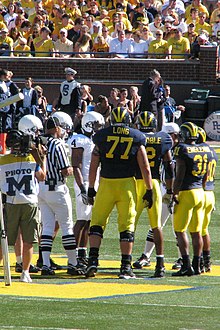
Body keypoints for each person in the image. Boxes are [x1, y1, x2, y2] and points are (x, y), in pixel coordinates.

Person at [85, 106, 153, 279]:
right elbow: (145, 166)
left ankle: (92, 261)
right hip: (126, 185)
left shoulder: (101, 136)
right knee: (126, 226)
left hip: (106, 183)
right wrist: (149, 189)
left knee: (97, 223)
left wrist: (91, 187)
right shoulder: (137, 137)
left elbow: (94, 165)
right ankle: (125, 266)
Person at [0, 117, 46, 283]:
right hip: (29, 202)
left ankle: (18, 269)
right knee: (29, 240)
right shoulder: (31, 159)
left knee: (4, 239)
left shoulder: (2, 160)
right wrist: (42, 157)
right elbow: (42, 176)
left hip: (10, 202)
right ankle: (25, 272)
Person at [38, 112, 84, 276]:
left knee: (47, 227)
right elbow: (65, 171)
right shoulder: (57, 144)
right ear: (56, 128)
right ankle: (72, 263)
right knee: (67, 226)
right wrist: (71, 169)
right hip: (56, 188)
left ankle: (45, 265)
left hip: (41, 189)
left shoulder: (40, 143)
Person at [133, 122, 180, 269]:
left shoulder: (180, 149)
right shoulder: (164, 145)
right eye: (174, 135)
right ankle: (146, 255)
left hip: (178, 191)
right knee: (157, 223)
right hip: (163, 188)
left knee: (177, 226)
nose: (177, 138)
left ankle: (181, 257)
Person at [172, 122, 211, 276]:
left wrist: (174, 192)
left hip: (187, 192)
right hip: (200, 192)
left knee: (180, 230)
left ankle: (186, 265)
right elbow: (206, 175)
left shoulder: (182, 149)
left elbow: (180, 174)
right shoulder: (205, 148)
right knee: (196, 231)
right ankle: (198, 264)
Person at [68, 111, 105, 268]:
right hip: (83, 183)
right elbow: (76, 165)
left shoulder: (89, 139)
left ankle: (81, 253)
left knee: (88, 220)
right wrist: (83, 188)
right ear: (89, 124)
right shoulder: (79, 139)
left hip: (91, 182)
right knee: (82, 219)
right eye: (97, 125)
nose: (99, 128)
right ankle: (73, 257)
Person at [197, 127, 218, 273]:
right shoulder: (212, 152)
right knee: (204, 230)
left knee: (195, 230)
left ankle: (197, 262)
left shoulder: (198, 151)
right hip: (211, 193)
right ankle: (207, 260)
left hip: (201, 192)